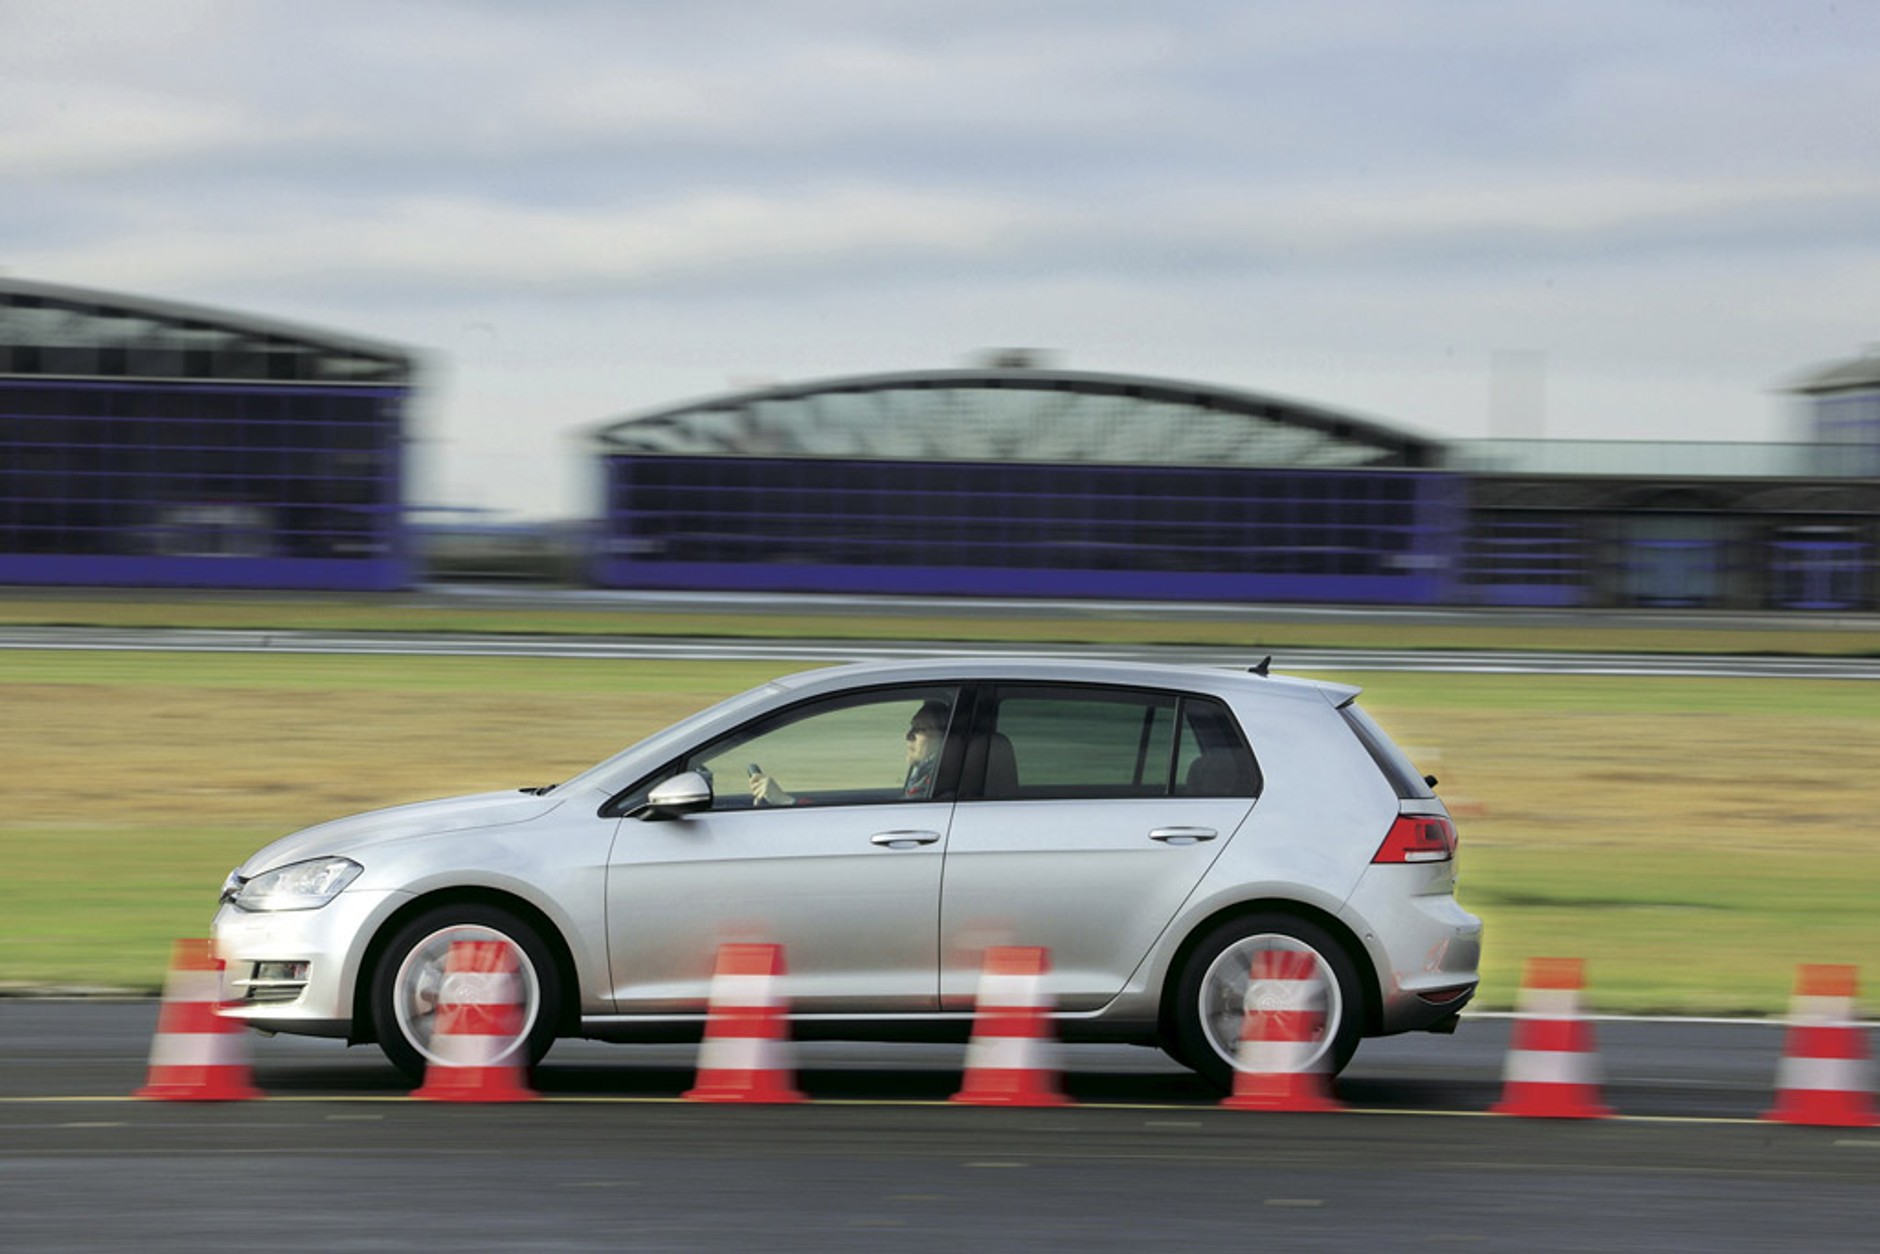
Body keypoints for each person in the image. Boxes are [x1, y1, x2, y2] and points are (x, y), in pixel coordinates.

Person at [749, 698, 950, 806]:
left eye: (920, 729)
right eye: (911, 727)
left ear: (946, 739)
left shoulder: (934, 789)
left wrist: (787, 802)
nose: (907, 736)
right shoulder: (928, 781)